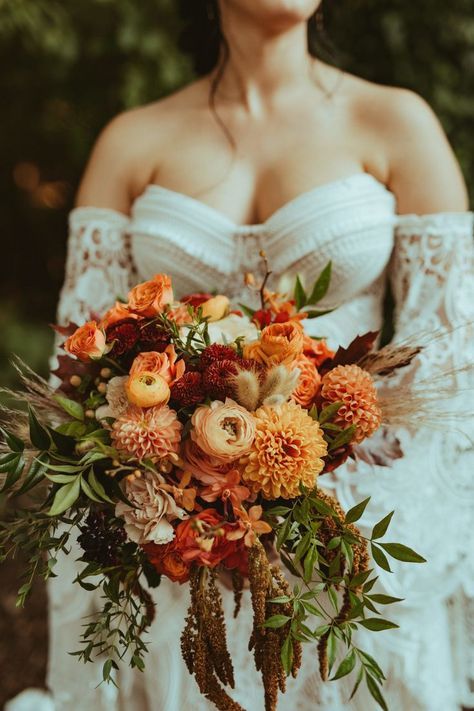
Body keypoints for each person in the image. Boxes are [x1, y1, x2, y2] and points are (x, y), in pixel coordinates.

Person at [8, 1, 474, 710]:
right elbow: (80, 373)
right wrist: (179, 518)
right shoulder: (132, 142)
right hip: (175, 564)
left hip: (356, 563)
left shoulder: (396, 122)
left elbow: (453, 366)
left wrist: (326, 531)